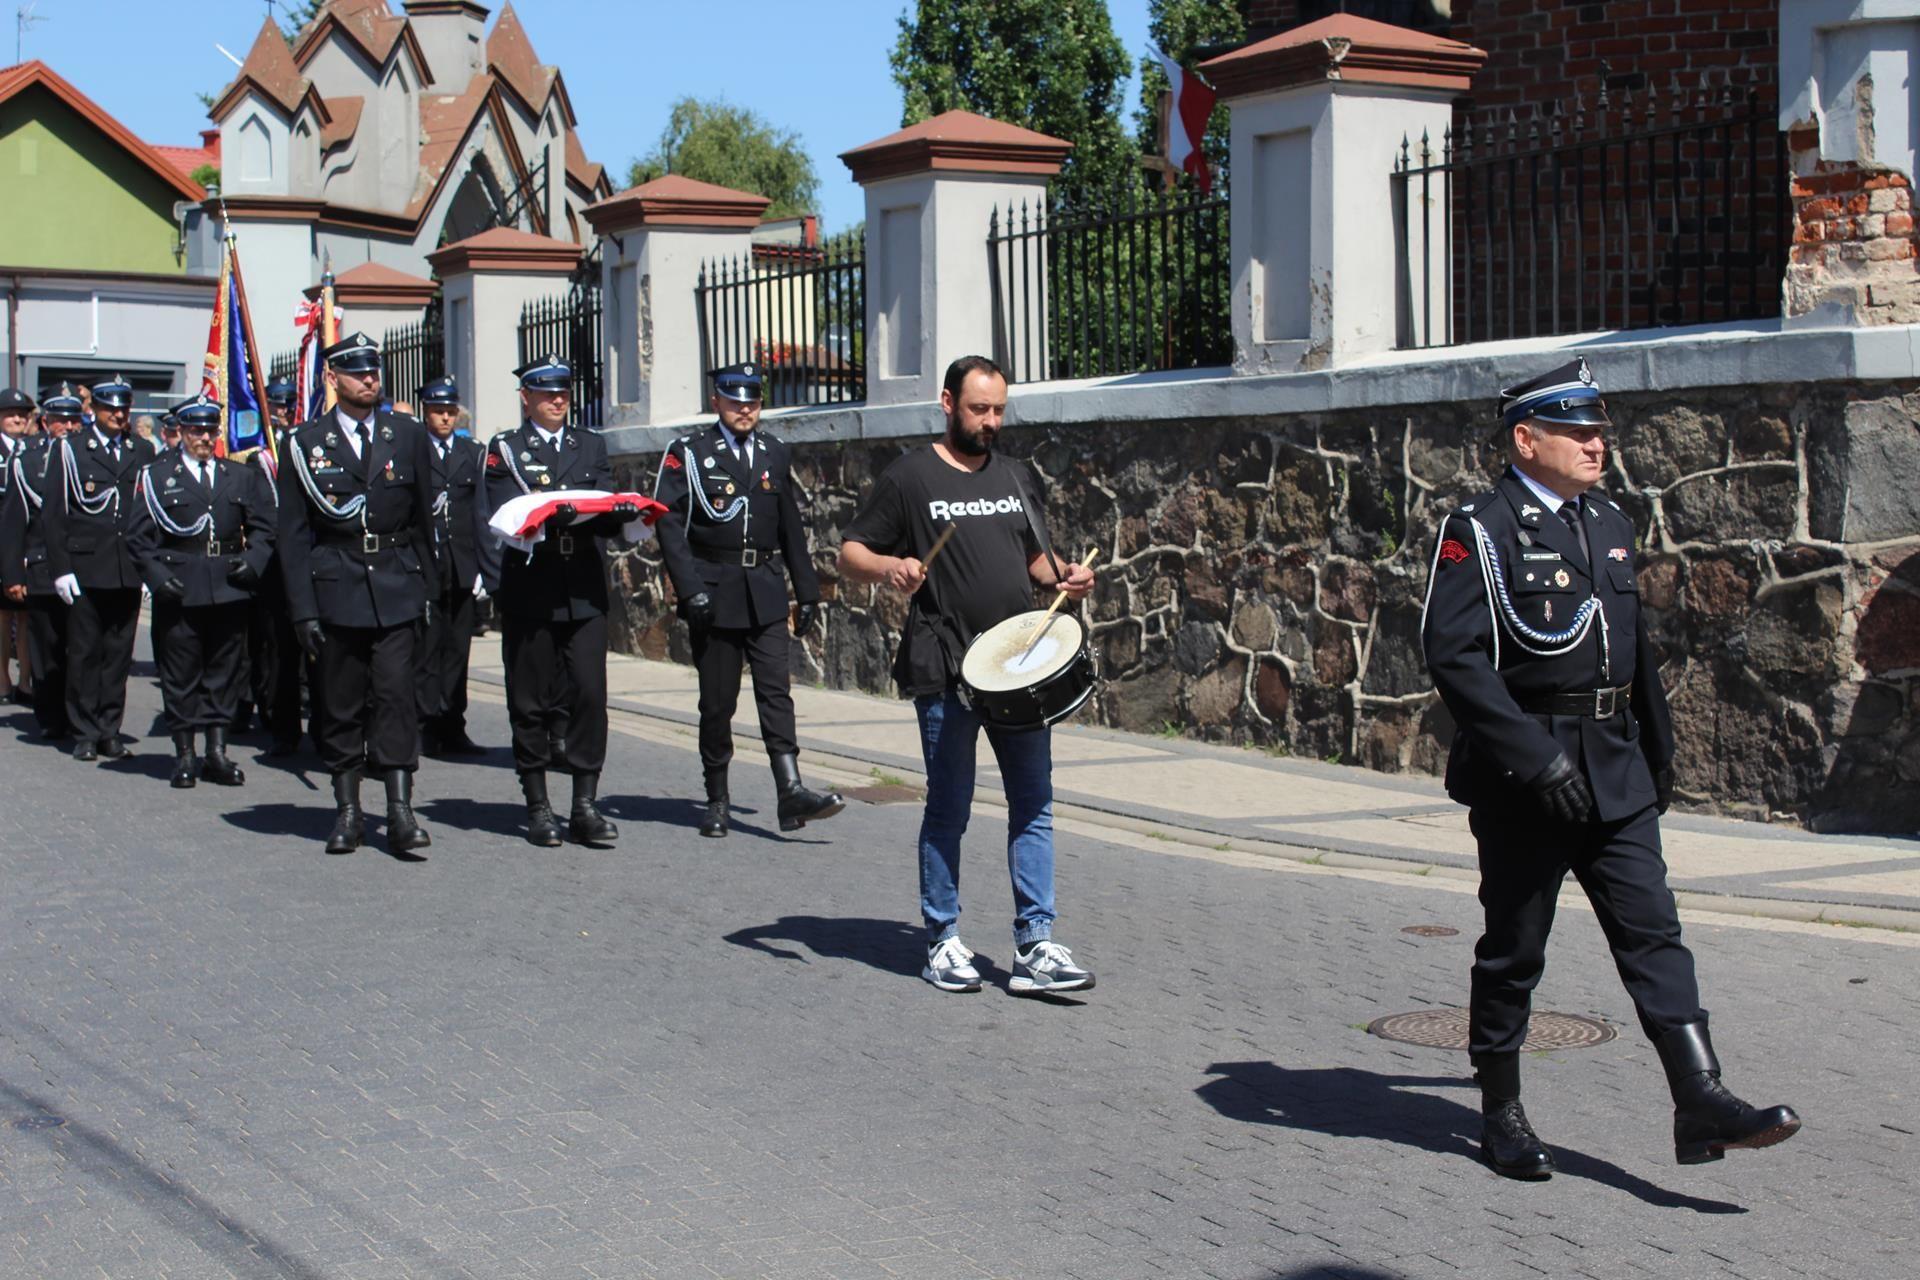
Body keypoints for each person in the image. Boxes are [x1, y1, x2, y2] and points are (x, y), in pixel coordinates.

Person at [1420, 357, 1801, 1178]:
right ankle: (1501, 1110)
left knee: (1654, 935)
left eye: (1599, 430)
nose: (1598, 443)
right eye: (1578, 431)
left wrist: (1658, 757)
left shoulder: (1610, 523)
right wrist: (1532, 758)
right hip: (1529, 777)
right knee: (1515, 948)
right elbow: (1452, 657)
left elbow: (1635, 657)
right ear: (1526, 439)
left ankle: (1701, 1099)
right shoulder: (1479, 530)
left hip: (1615, 770)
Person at [836, 355, 1096, 996]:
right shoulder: (910, 477)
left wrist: (1067, 577)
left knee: (1032, 805)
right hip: (946, 666)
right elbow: (850, 553)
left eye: (999, 410)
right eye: (979, 409)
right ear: (948, 403)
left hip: (1019, 667)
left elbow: (1037, 559)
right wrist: (890, 568)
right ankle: (942, 940)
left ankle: (1036, 946)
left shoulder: (1014, 474)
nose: (991, 421)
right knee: (949, 808)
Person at [652, 362, 842, 839]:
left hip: (765, 588)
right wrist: (690, 588)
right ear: (716, 401)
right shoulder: (689, 453)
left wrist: (808, 590)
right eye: (736, 401)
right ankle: (717, 797)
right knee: (718, 704)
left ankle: (790, 790)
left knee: (775, 692)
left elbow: (789, 526)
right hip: (714, 592)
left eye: (753, 401)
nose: (745, 409)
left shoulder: (774, 452)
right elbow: (669, 525)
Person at [278, 333, 438, 856]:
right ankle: (348, 810)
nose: (370, 379)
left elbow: (421, 519)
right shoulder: (304, 444)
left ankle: (400, 812)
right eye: (357, 372)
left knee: (395, 697)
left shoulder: (406, 434)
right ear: (333, 378)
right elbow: (294, 534)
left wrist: (429, 590)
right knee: (340, 703)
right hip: (336, 586)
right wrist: (302, 610)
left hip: (396, 583)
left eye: (374, 370)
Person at [481, 355, 634, 847]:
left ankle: (584, 804)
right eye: (546, 392)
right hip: (531, 583)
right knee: (531, 700)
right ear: (525, 397)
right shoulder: (505, 449)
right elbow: (501, 514)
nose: (558, 400)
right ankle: (537, 804)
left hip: (583, 586)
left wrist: (624, 512)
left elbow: (604, 506)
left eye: (564, 391)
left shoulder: (589, 445)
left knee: (589, 694)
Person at [127, 396, 276, 788]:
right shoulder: (158, 476)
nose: (205, 438)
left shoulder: (239, 476)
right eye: (196, 430)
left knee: (225, 673)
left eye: (211, 430)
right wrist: (158, 578)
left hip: (229, 586)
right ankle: (185, 755)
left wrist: (254, 561)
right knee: (180, 674)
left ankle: (217, 752)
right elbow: (139, 539)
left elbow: (265, 527)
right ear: (182, 432)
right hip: (180, 587)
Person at [42, 374, 162, 761]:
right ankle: (84, 730)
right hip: (85, 568)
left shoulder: (141, 450)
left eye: (124, 407)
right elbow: (55, 515)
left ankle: (110, 728)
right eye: (111, 407)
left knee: (117, 655)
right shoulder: (72, 450)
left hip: (126, 569)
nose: (118, 414)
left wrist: (148, 568)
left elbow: (149, 514)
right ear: (93, 409)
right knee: (83, 653)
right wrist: (60, 569)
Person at [0, 383, 83, 738]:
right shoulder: (27, 457)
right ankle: (34, 700)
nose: (66, 425)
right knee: (37, 636)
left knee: (79, 642)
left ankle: (79, 712)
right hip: (31, 556)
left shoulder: (85, 454)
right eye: (59, 418)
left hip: (79, 562)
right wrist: (13, 569)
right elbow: (16, 516)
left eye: (72, 418)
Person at [415, 375, 487, 757]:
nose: (445, 418)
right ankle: (425, 724)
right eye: (437, 411)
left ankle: (453, 723)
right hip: (427, 563)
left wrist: (482, 568)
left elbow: (479, 511)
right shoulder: (414, 450)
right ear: (425, 411)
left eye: (449, 411)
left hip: (461, 563)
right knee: (428, 648)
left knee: (458, 648)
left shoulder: (471, 453)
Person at [0, 387, 34, 704]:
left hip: (29, 543)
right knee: (2, 615)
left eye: (22, 415)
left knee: (27, 616)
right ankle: (2, 679)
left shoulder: (35, 449)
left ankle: (25, 680)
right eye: (10, 414)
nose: (17, 419)